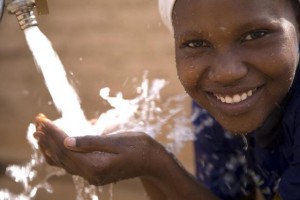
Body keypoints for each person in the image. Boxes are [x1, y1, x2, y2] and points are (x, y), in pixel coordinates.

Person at [33, 0, 300, 199]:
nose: (226, 73)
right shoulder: (224, 100)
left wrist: (155, 164)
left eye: (255, 35)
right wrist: (144, 162)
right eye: (196, 44)